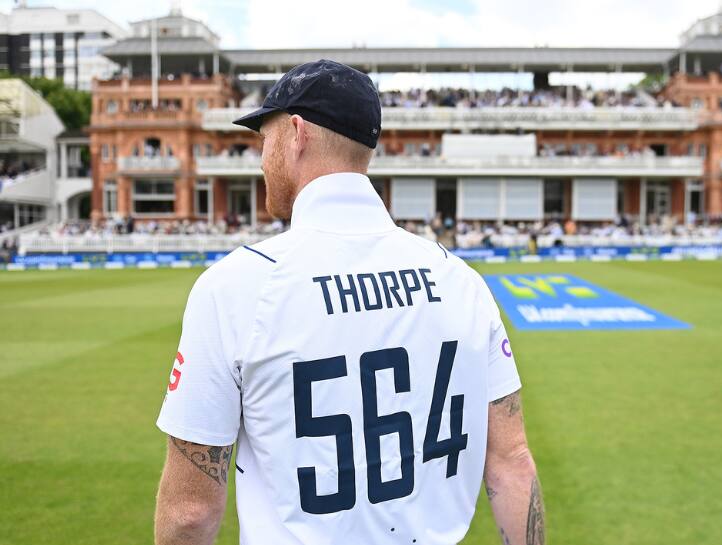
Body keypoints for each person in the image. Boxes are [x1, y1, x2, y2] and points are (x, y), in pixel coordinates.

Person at [153, 59, 544, 545]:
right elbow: (511, 466)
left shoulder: (237, 285)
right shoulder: (460, 279)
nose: (261, 158)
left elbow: (190, 513)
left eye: (264, 139)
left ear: (296, 134)